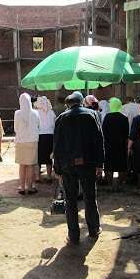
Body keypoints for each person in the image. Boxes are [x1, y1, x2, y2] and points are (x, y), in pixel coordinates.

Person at [53, 91, 103, 244]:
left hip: (68, 164)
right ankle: (94, 228)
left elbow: (57, 146)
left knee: (71, 199)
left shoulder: (61, 118)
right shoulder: (92, 115)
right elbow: (98, 140)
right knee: (89, 197)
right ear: (81, 103)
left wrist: (57, 169)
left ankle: (74, 235)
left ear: (68, 105)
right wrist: (99, 163)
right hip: (87, 163)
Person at [102, 97, 130, 191]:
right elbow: (127, 132)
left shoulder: (107, 117)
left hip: (109, 145)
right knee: (121, 165)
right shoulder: (124, 118)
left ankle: (110, 185)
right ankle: (119, 185)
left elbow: (103, 132)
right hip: (121, 144)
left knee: (109, 166)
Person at [14, 93, 40, 195]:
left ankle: (22, 187)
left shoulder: (17, 113)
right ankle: (30, 187)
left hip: (20, 141)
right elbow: (39, 126)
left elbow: (16, 128)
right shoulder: (35, 113)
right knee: (31, 166)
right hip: (32, 141)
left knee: (22, 166)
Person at [36, 96, 56, 183]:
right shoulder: (51, 112)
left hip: (39, 135)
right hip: (50, 135)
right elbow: (55, 124)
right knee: (49, 157)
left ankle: (38, 177)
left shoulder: (36, 112)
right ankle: (48, 177)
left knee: (38, 157)